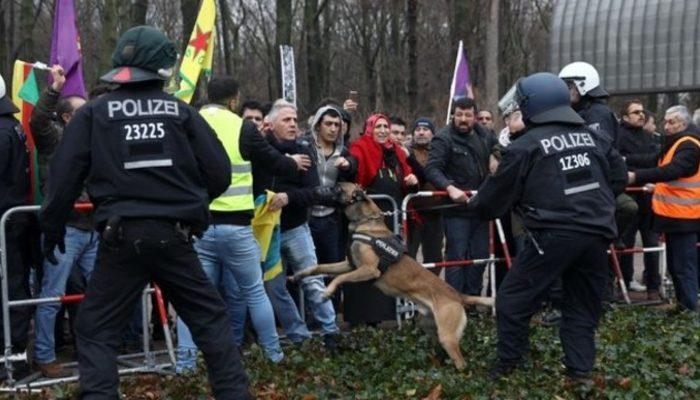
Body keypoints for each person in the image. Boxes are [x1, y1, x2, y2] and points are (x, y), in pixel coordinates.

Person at [39, 26, 252, 399]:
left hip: (120, 239)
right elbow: (218, 170)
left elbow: (63, 173)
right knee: (211, 322)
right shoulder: (182, 113)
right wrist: (193, 206)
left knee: (95, 329)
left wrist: (52, 225)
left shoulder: (94, 113)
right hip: (175, 236)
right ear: (162, 68)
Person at [467, 72, 626, 380]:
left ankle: (509, 365)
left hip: (552, 236)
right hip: (597, 235)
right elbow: (618, 178)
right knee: (581, 304)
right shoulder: (595, 136)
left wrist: (473, 206)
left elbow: (491, 200)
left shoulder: (525, 146)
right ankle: (580, 370)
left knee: (513, 299)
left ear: (531, 105)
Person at [175, 76, 285, 371]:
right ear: (234, 100)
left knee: (192, 298)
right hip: (237, 227)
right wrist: (294, 164)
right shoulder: (243, 127)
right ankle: (274, 356)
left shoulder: (190, 121)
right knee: (254, 292)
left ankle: (185, 363)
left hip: (199, 227)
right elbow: (272, 160)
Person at [29, 64, 96, 378]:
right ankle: (43, 354)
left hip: (94, 228)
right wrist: (54, 88)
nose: (90, 117)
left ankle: (96, 350)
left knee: (100, 294)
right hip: (65, 230)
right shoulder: (55, 139)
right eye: (83, 113)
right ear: (68, 118)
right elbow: (38, 120)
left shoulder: (95, 140)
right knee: (52, 295)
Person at [257, 99, 341, 349]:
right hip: (267, 231)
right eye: (286, 120)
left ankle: (331, 331)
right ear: (270, 124)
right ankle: (298, 336)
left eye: (294, 120)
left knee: (312, 281)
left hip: (295, 228)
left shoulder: (305, 152)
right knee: (274, 289)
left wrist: (288, 197)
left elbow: (315, 192)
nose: (293, 124)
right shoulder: (259, 150)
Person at [627, 105, 700, 313]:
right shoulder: (676, 143)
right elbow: (654, 161)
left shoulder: (688, 145)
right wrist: (624, 160)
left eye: (672, 122)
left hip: (685, 216)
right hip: (674, 216)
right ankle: (684, 308)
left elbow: (673, 170)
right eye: (665, 121)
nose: (666, 126)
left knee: (684, 268)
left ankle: (689, 312)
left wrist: (636, 176)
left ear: (683, 124)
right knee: (677, 267)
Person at [347, 113, 418, 324]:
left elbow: (407, 179)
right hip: (367, 224)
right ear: (369, 128)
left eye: (385, 126)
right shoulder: (360, 148)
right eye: (378, 126)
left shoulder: (395, 152)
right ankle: (364, 320)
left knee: (388, 267)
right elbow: (355, 179)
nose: (383, 130)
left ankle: (389, 315)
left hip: (391, 220)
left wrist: (412, 181)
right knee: (366, 267)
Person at [425, 96, 497, 296]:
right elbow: (432, 169)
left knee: (480, 256)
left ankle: (472, 300)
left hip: (480, 207)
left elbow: (498, 146)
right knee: (456, 257)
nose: (463, 119)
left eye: (468, 115)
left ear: (475, 117)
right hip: (455, 209)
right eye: (459, 115)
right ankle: (455, 301)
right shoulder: (443, 138)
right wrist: (449, 188)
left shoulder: (484, 134)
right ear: (453, 116)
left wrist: (495, 155)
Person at [0, 73, 32, 379]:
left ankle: (11, 357)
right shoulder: (12, 126)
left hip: (5, 221)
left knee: (9, 286)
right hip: (12, 220)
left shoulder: (3, 130)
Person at [616, 100, 661, 300]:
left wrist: (632, 163)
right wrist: (642, 166)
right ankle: (624, 283)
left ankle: (653, 285)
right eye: (636, 112)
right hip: (629, 198)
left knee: (652, 243)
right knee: (625, 243)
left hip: (648, 198)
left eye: (642, 111)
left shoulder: (649, 136)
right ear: (625, 117)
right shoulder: (618, 136)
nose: (641, 115)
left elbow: (655, 160)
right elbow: (619, 162)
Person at [303, 105, 357, 265]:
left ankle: (332, 291)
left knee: (333, 264)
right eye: (328, 124)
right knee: (306, 266)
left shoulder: (344, 153)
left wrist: (349, 165)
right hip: (306, 216)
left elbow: (354, 167)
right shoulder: (305, 148)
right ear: (318, 125)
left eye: (337, 125)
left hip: (332, 218)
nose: (333, 129)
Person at [406, 118, 444, 268]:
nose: (421, 132)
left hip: (435, 212)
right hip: (411, 213)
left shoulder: (440, 151)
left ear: (433, 133)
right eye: (418, 129)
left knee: (434, 257)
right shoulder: (405, 151)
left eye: (425, 129)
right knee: (408, 256)